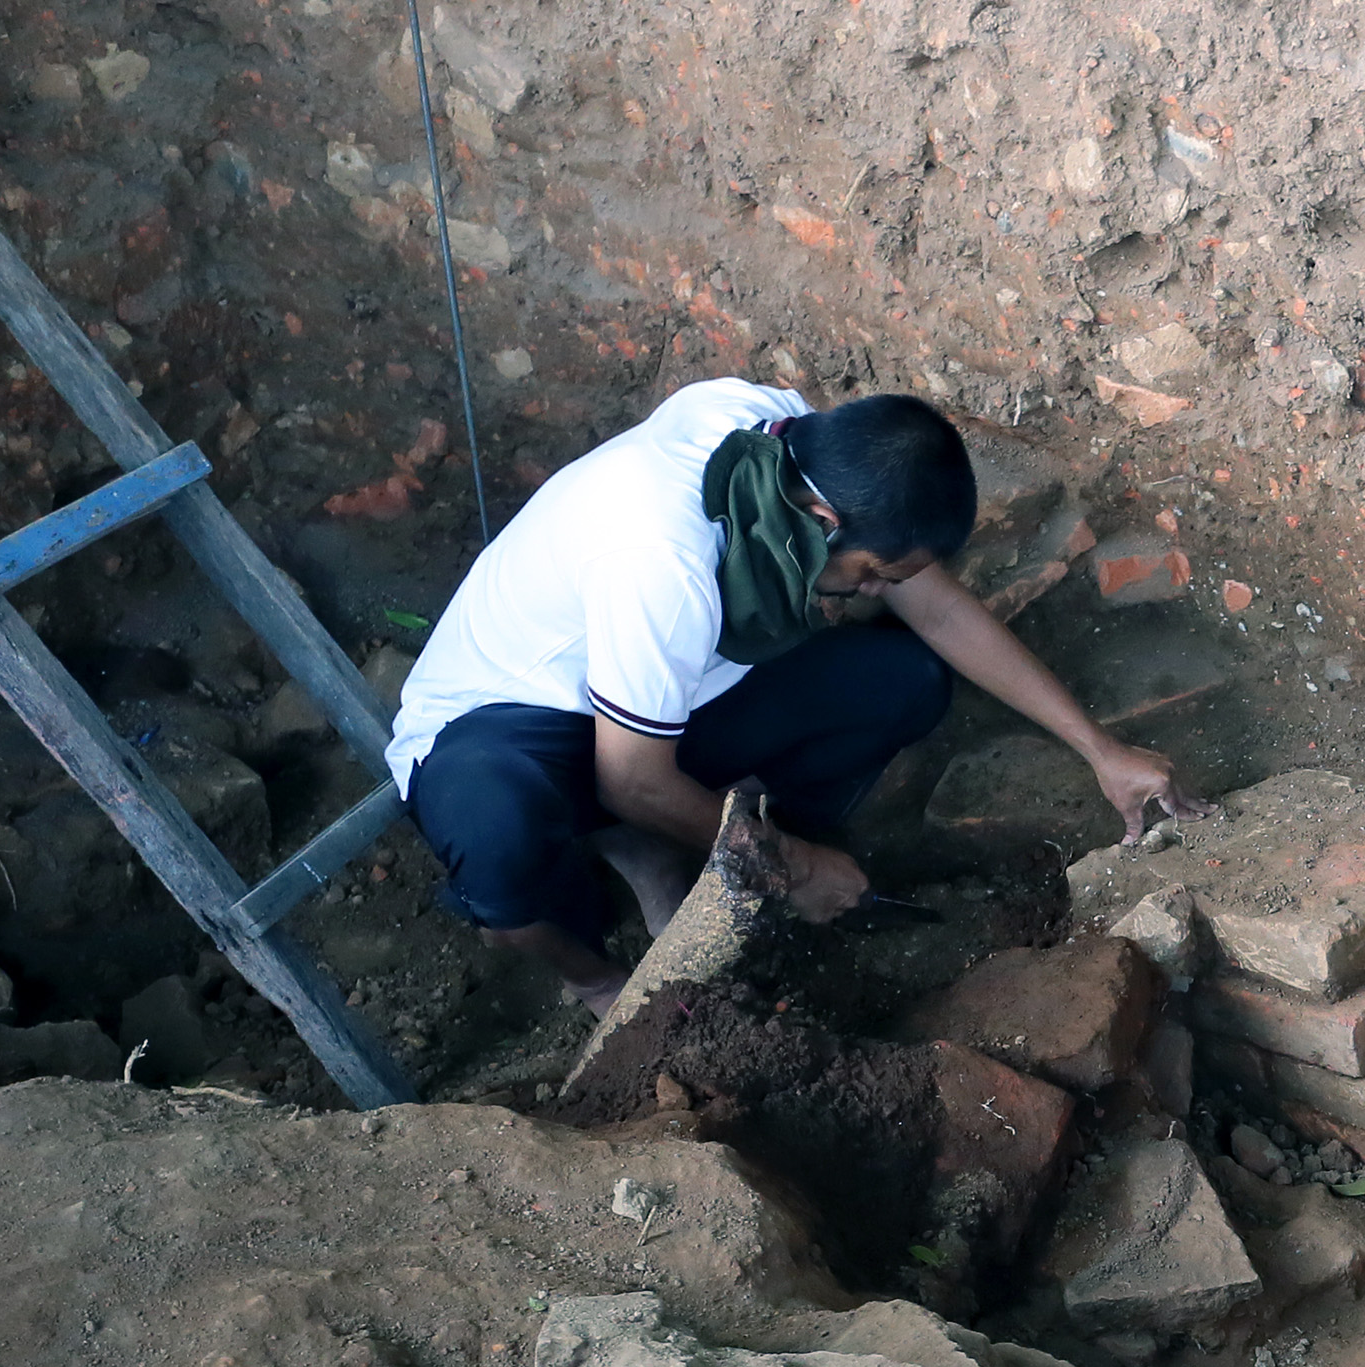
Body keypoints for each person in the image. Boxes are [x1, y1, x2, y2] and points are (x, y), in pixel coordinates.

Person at [385, 381, 1204, 1012]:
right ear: (821, 516)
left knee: (903, 680)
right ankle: (601, 982)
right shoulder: (662, 557)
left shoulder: (782, 434)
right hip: (509, 726)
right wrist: (794, 866)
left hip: (660, 705)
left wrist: (1100, 748)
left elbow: (938, 607)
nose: (873, 590)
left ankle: (672, 851)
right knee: (501, 842)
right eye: (873, 574)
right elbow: (625, 776)